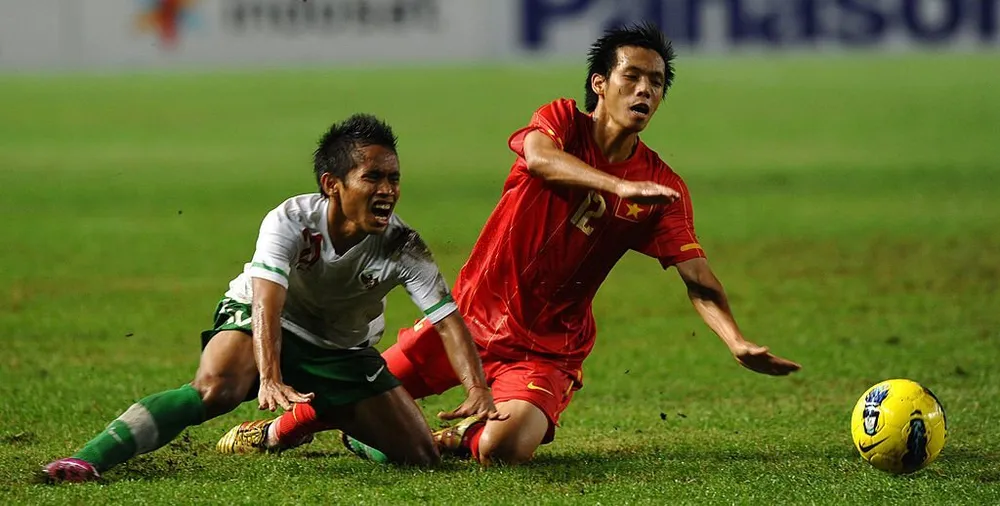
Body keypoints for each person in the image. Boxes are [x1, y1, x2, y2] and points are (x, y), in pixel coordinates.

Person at [229, 22, 801, 467]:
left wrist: (736, 340)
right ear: (600, 84)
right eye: (632, 76)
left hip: (547, 348)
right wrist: (615, 184)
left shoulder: (664, 187)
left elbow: (696, 275)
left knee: (507, 447)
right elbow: (537, 158)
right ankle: (277, 428)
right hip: (469, 319)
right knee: (348, 395)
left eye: (656, 83)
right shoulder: (560, 123)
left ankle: (444, 440)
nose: (645, 89)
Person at [41, 114, 503, 483]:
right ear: (332, 184)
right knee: (217, 388)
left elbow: (447, 320)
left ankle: (352, 427)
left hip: (341, 348)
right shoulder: (289, 221)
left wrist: (478, 388)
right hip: (267, 320)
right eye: (374, 178)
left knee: (420, 456)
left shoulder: (402, 244)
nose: (388, 191)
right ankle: (88, 459)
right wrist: (269, 376)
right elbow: (266, 301)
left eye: (394, 178)